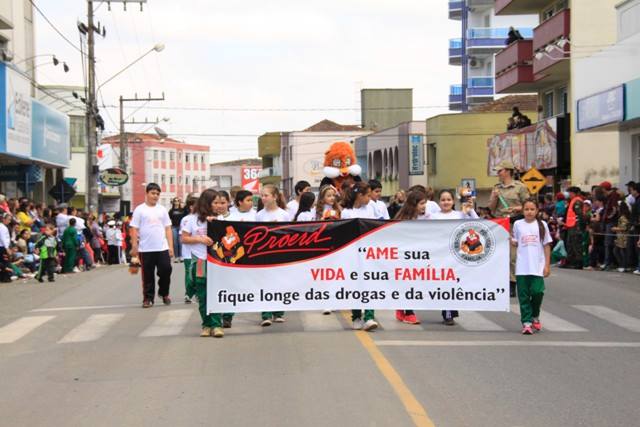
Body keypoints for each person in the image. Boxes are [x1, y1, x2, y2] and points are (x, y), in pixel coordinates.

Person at [429, 189, 478, 325]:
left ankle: (450, 312)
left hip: (457, 255)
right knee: (444, 283)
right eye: (443, 200)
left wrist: (471, 209)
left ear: (453, 201)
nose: (446, 202)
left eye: (448, 199)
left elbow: (477, 223)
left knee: (454, 284)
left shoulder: (459, 214)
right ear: (439, 202)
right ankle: (447, 313)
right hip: (440, 255)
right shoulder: (433, 216)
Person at [182, 189, 224, 338]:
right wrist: (200, 239)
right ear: (207, 203)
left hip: (217, 261)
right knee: (203, 294)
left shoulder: (220, 218)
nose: (218, 205)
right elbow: (184, 238)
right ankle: (206, 325)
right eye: (215, 202)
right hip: (200, 261)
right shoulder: (192, 220)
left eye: (220, 203)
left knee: (215, 293)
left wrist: (216, 224)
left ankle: (216, 325)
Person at [341, 182, 379, 331]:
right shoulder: (347, 212)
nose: (370, 198)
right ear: (359, 195)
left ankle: (369, 317)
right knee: (355, 284)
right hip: (353, 254)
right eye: (368, 195)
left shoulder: (371, 208)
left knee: (370, 283)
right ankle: (356, 316)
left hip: (369, 252)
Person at [488, 160, 529, 297]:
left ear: (507, 171)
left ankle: (512, 283)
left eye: (500, 171)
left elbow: (529, 206)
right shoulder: (496, 188)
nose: (498, 173)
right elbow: (491, 208)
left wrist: (517, 208)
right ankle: (499, 282)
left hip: (514, 223)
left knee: (512, 256)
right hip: (500, 223)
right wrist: (494, 197)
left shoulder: (520, 187)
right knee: (498, 254)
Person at [130, 183, 174, 308]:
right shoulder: (140, 209)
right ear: (147, 193)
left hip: (162, 247)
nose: (155, 196)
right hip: (145, 248)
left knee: (166, 270)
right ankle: (148, 298)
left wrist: (171, 247)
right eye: (153, 193)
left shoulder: (162, 210)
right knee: (147, 275)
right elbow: (134, 228)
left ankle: (164, 293)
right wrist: (134, 245)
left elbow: (168, 228)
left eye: (157, 194)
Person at [512, 199, 552, 335]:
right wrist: (511, 240)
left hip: (537, 266)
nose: (529, 212)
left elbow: (546, 245)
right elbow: (516, 242)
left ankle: (535, 314)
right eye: (526, 209)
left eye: (532, 209)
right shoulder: (518, 224)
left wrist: (547, 265)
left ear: (537, 211)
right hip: (522, 266)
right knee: (523, 296)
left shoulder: (542, 225)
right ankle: (527, 322)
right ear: (523, 211)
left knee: (537, 292)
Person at [256, 184, 290, 326]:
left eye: (266, 195)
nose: (263, 198)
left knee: (279, 282)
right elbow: (256, 234)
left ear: (275, 197)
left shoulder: (284, 214)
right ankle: (266, 314)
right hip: (265, 253)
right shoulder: (259, 215)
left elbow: (289, 234)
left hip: (280, 252)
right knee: (265, 283)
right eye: (262, 195)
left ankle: (278, 312)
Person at [393, 190, 427, 325]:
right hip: (405, 258)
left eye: (425, 203)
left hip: (418, 257)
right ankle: (409, 312)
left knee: (411, 284)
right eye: (422, 203)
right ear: (414, 204)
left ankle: (401, 309)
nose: (424, 206)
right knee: (408, 284)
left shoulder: (424, 218)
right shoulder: (403, 220)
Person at [561, 187, 585, 270]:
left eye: (570, 193)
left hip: (576, 226)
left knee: (576, 245)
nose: (569, 194)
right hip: (571, 226)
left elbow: (579, 215)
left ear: (575, 193)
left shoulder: (577, 201)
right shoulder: (573, 201)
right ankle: (570, 261)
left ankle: (578, 262)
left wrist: (580, 226)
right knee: (570, 244)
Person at [180, 197, 197, 303]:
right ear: (191, 207)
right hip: (188, 253)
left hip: (199, 253)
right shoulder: (186, 219)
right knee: (189, 274)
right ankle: (188, 294)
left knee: (198, 274)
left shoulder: (202, 218)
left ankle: (197, 293)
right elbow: (183, 237)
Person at [600, 181, 620, 270]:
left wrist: (609, 216)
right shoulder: (608, 197)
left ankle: (608, 263)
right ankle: (608, 262)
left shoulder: (613, 195)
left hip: (611, 222)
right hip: (607, 222)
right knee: (607, 243)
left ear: (604, 188)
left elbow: (615, 209)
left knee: (608, 243)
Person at [612, 201, 631, 272]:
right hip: (620, 237)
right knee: (618, 251)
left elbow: (624, 227)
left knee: (621, 252)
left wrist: (615, 228)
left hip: (623, 237)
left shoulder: (623, 217)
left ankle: (623, 266)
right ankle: (623, 265)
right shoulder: (623, 215)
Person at [169, 198, 186, 263]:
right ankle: (176, 257)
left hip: (181, 227)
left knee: (180, 242)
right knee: (175, 242)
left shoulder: (182, 210)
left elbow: (185, 218)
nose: (176, 202)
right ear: (173, 202)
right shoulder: (171, 211)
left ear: (179, 202)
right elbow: (168, 219)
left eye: (178, 201)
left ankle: (181, 256)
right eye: (175, 201)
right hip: (174, 227)